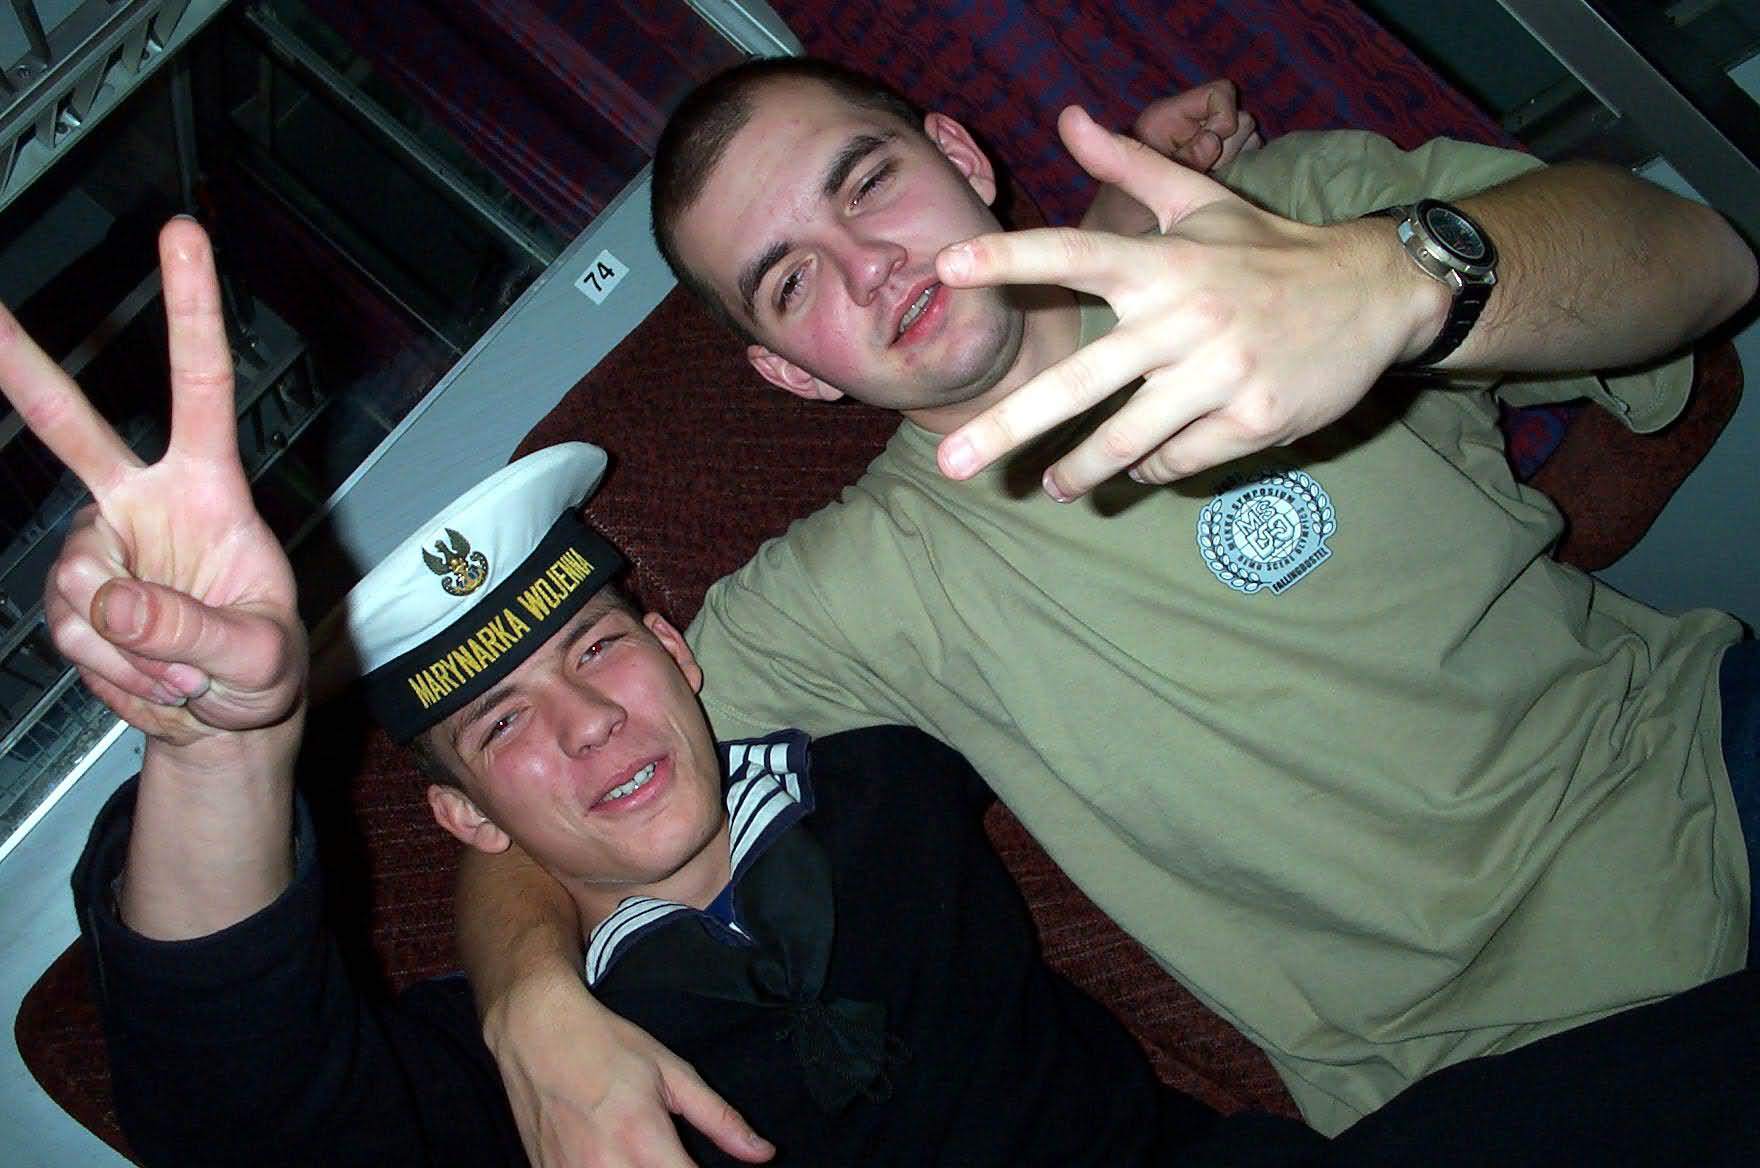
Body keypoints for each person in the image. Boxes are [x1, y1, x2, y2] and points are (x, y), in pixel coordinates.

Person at [456, 53, 1760, 1161]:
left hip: (1708, 774)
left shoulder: (1271, 231)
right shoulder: (848, 595)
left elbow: (1702, 260)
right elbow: (547, 784)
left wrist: (1392, 283)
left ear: (960, 154)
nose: (868, 267)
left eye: (867, 184)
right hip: (1487, 1064)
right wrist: (527, 1005)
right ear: (792, 375)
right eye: (792, 282)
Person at [12, 219, 1332, 1166]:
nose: (589, 720)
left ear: (678, 650)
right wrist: (217, 752)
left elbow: (1022, 509)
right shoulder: (513, 1071)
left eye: (597, 651)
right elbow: (235, 1114)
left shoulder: (878, 758)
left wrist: (1136, 223)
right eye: (503, 723)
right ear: (466, 819)